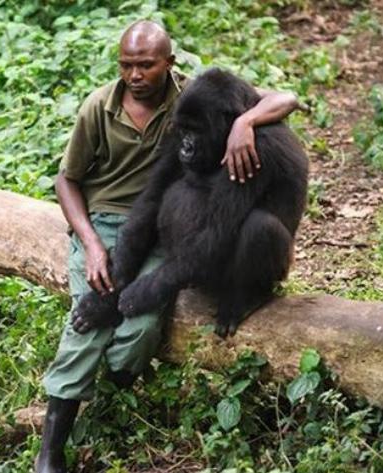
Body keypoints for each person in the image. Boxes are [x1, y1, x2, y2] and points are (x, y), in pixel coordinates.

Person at [35, 20, 298, 473]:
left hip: (248, 252)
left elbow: (218, 235)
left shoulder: (250, 146)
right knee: (161, 208)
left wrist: (137, 292)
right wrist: (112, 271)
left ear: (168, 65)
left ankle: (247, 297)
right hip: (125, 227)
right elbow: (149, 202)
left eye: (145, 65)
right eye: (126, 65)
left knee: (255, 230)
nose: (188, 145)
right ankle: (51, 449)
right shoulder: (144, 110)